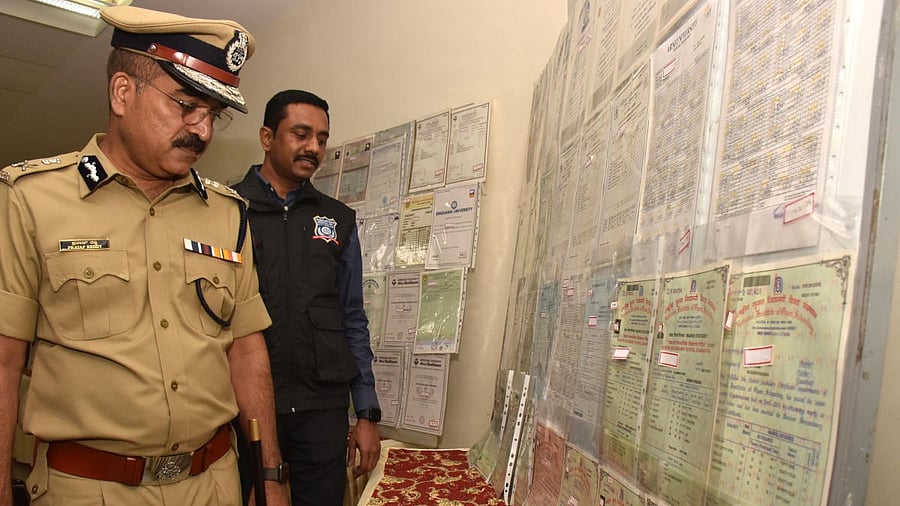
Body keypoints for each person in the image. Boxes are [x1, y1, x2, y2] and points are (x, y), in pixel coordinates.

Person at [0, 6, 289, 506]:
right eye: (185, 105)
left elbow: (245, 348)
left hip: (213, 482)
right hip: (89, 489)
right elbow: (5, 359)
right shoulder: (31, 199)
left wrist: (271, 476)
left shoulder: (227, 214)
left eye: (212, 115)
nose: (202, 131)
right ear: (122, 92)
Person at [233, 90, 382, 506]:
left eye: (321, 137)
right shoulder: (228, 209)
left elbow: (352, 317)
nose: (313, 147)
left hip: (322, 409)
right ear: (267, 137)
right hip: (247, 408)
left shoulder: (337, 219)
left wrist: (366, 412)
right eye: (301, 134)